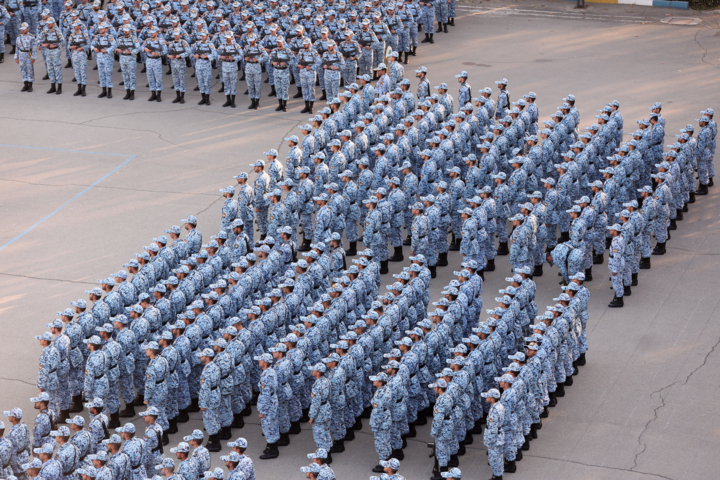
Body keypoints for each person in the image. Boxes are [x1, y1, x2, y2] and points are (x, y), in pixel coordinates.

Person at [482, 388, 504, 480]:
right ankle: (498, 475)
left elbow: (493, 428)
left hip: (494, 439)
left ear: (493, 399)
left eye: (488, 396)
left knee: (494, 459)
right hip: (498, 436)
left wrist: (490, 442)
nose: (486, 398)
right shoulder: (499, 406)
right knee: (498, 457)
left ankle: (497, 477)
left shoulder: (495, 410)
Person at [15, 23, 37, 92]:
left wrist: (33, 57)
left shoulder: (31, 37)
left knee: (30, 71)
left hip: (28, 55)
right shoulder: (18, 37)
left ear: (28, 29)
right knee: (23, 70)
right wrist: (16, 57)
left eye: (24, 29)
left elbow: (34, 48)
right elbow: (17, 48)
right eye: (22, 29)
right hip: (21, 55)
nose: (23, 31)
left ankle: (30, 85)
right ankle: (25, 85)